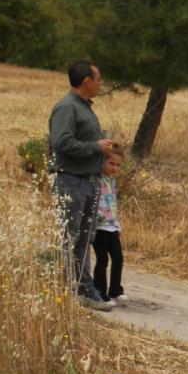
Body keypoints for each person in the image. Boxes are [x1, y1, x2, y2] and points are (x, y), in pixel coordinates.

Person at [47, 60, 118, 311]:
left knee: (84, 239)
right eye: (98, 79)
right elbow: (61, 143)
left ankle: (83, 290)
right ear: (86, 81)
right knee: (71, 237)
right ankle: (72, 290)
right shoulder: (67, 108)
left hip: (88, 181)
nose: (101, 84)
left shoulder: (84, 108)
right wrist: (95, 147)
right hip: (71, 181)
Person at [91, 148, 126, 305]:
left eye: (118, 165)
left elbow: (112, 202)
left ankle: (115, 290)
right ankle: (100, 292)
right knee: (102, 259)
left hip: (111, 225)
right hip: (99, 226)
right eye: (111, 163)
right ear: (102, 161)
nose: (114, 168)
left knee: (118, 257)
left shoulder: (111, 180)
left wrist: (116, 223)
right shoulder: (95, 178)